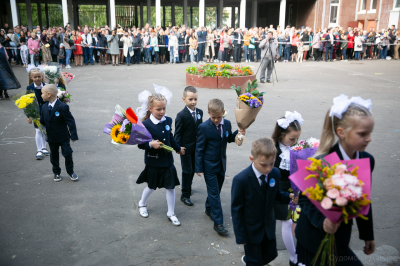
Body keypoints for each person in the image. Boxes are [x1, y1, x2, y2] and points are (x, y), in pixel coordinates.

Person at [296, 94, 375, 266]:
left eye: (370, 133)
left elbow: (363, 200)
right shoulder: (322, 162)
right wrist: (322, 221)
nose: (369, 139)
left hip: (340, 240)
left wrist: (367, 235)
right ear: (341, 132)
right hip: (312, 241)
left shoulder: (367, 160)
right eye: (363, 134)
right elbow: (304, 199)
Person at [231, 138, 297, 266]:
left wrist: (289, 196)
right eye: (263, 164)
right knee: (255, 261)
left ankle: (248, 259)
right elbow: (236, 210)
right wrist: (241, 236)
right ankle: (249, 260)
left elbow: (276, 195)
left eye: (271, 163)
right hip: (251, 230)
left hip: (268, 227)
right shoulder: (241, 180)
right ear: (252, 159)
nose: (268, 168)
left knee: (270, 255)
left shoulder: (275, 173)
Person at [195, 98, 245, 236]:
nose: (216, 120)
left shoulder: (227, 124)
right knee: (215, 194)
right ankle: (218, 223)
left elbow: (228, 139)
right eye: (213, 117)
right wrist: (198, 167)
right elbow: (199, 148)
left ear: (224, 112)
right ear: (208, 113)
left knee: (216, 190)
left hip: (221, 164)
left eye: (219, 117)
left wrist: (238, 133)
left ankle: (208, 208)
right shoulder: (204, 127)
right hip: (208, 166)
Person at [136, 92, 185, 226]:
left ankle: (171, 213)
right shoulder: (145, 124)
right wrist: (151, 144)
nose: (162, 112)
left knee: (170, 187)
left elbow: (170, 136)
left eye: (164, 108)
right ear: (150, 108)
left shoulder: (168, 120)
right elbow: (140, 145)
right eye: (158, 109)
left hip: (167, 161)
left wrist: (178, 148)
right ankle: (142, 203)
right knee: (151, 186)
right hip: (153, 161)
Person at [271, 112, 303, 266]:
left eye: (297, 138)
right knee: (287, 222)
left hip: (296, 190)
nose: (295, 141)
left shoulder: (297, 147)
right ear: (281, 134)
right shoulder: (273, 149)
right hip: (280, 192)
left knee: (296, 222)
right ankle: (293, 258)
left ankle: (299, 253)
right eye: (292, 138)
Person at [39, 84, 79, 182]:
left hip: (63, 136)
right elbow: (43, 121)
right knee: (54, 156)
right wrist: (35, 119)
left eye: (42, 93)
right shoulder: (44, 107)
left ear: (49, 94)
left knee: (67, 154)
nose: (41, 95)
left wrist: (73, 135)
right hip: (52, 137)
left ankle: (70, 172)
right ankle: (56, 172)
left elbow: (70, 121)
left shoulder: (62, 107)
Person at [174, 86, 203, 207]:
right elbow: (177, 134)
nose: (193, 102)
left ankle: (188, 187)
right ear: (184, 99)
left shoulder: (199, 112)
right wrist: (178, 148)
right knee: (187, 170)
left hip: (196, 148)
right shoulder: (181, 115)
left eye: (195, 99)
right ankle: (185, 195)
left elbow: (200, 129)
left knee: (192, 170)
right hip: (185, 149)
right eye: (190, 99)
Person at [26, 68, 48, 160]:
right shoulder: (29, 88)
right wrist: (29, 115)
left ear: (42, 76)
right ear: (31, 77)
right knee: (38, 130)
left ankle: (44, 147)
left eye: (39, 76)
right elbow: (28, 102)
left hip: (46, 110)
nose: (37, 78)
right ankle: (39, 150)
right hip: (36, 111)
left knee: (45, 129)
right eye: (35, 77)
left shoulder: (46, 86)